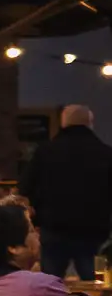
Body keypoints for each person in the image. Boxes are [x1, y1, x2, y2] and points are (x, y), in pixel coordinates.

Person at [21, 105, 112, 280]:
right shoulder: (105, 153)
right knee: (92, 280)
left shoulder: (45, 151)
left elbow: (26, 186)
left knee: (49, 281)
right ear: (90, 123)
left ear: (63, 123)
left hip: (53, 226)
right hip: (92, 228)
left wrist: (37, 215)